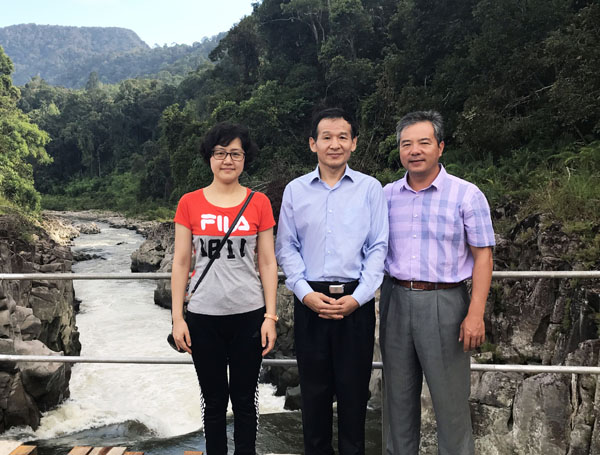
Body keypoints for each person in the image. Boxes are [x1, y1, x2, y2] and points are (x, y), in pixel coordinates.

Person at [380, 110, 495, 454]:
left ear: (440, 147)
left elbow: (484, 257)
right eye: (406, 144)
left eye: (423, 143)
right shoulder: (386, 195)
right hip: (395, 299)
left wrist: (475, 313)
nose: (414, 150)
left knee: (451, 406)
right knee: (397, 404)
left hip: (445, 303)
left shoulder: (466, 195)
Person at [275, 107, 388, 455]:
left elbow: (378, 247)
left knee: (354, 396)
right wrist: (304, 293)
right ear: (313, 143)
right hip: (310, 301)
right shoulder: (295, 190)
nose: (334, 144)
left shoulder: (370, 189)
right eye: (327, 137)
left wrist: (360, 297)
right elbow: (286, 246)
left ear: (354, 143)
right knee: (314, 396)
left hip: (356, 302)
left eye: (342, 137)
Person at [171, 122, 278, 455]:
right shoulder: (189, 203)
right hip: (203, 317)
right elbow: (181, 262)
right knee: (214, 401)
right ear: (209, 157)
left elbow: (267, 262)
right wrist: (178, 319)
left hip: (249, 316)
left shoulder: (259, 203)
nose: (227, 160)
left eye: (235, 153)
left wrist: (270, 316)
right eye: (220, 153)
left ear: (245, 158)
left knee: (245, 400)